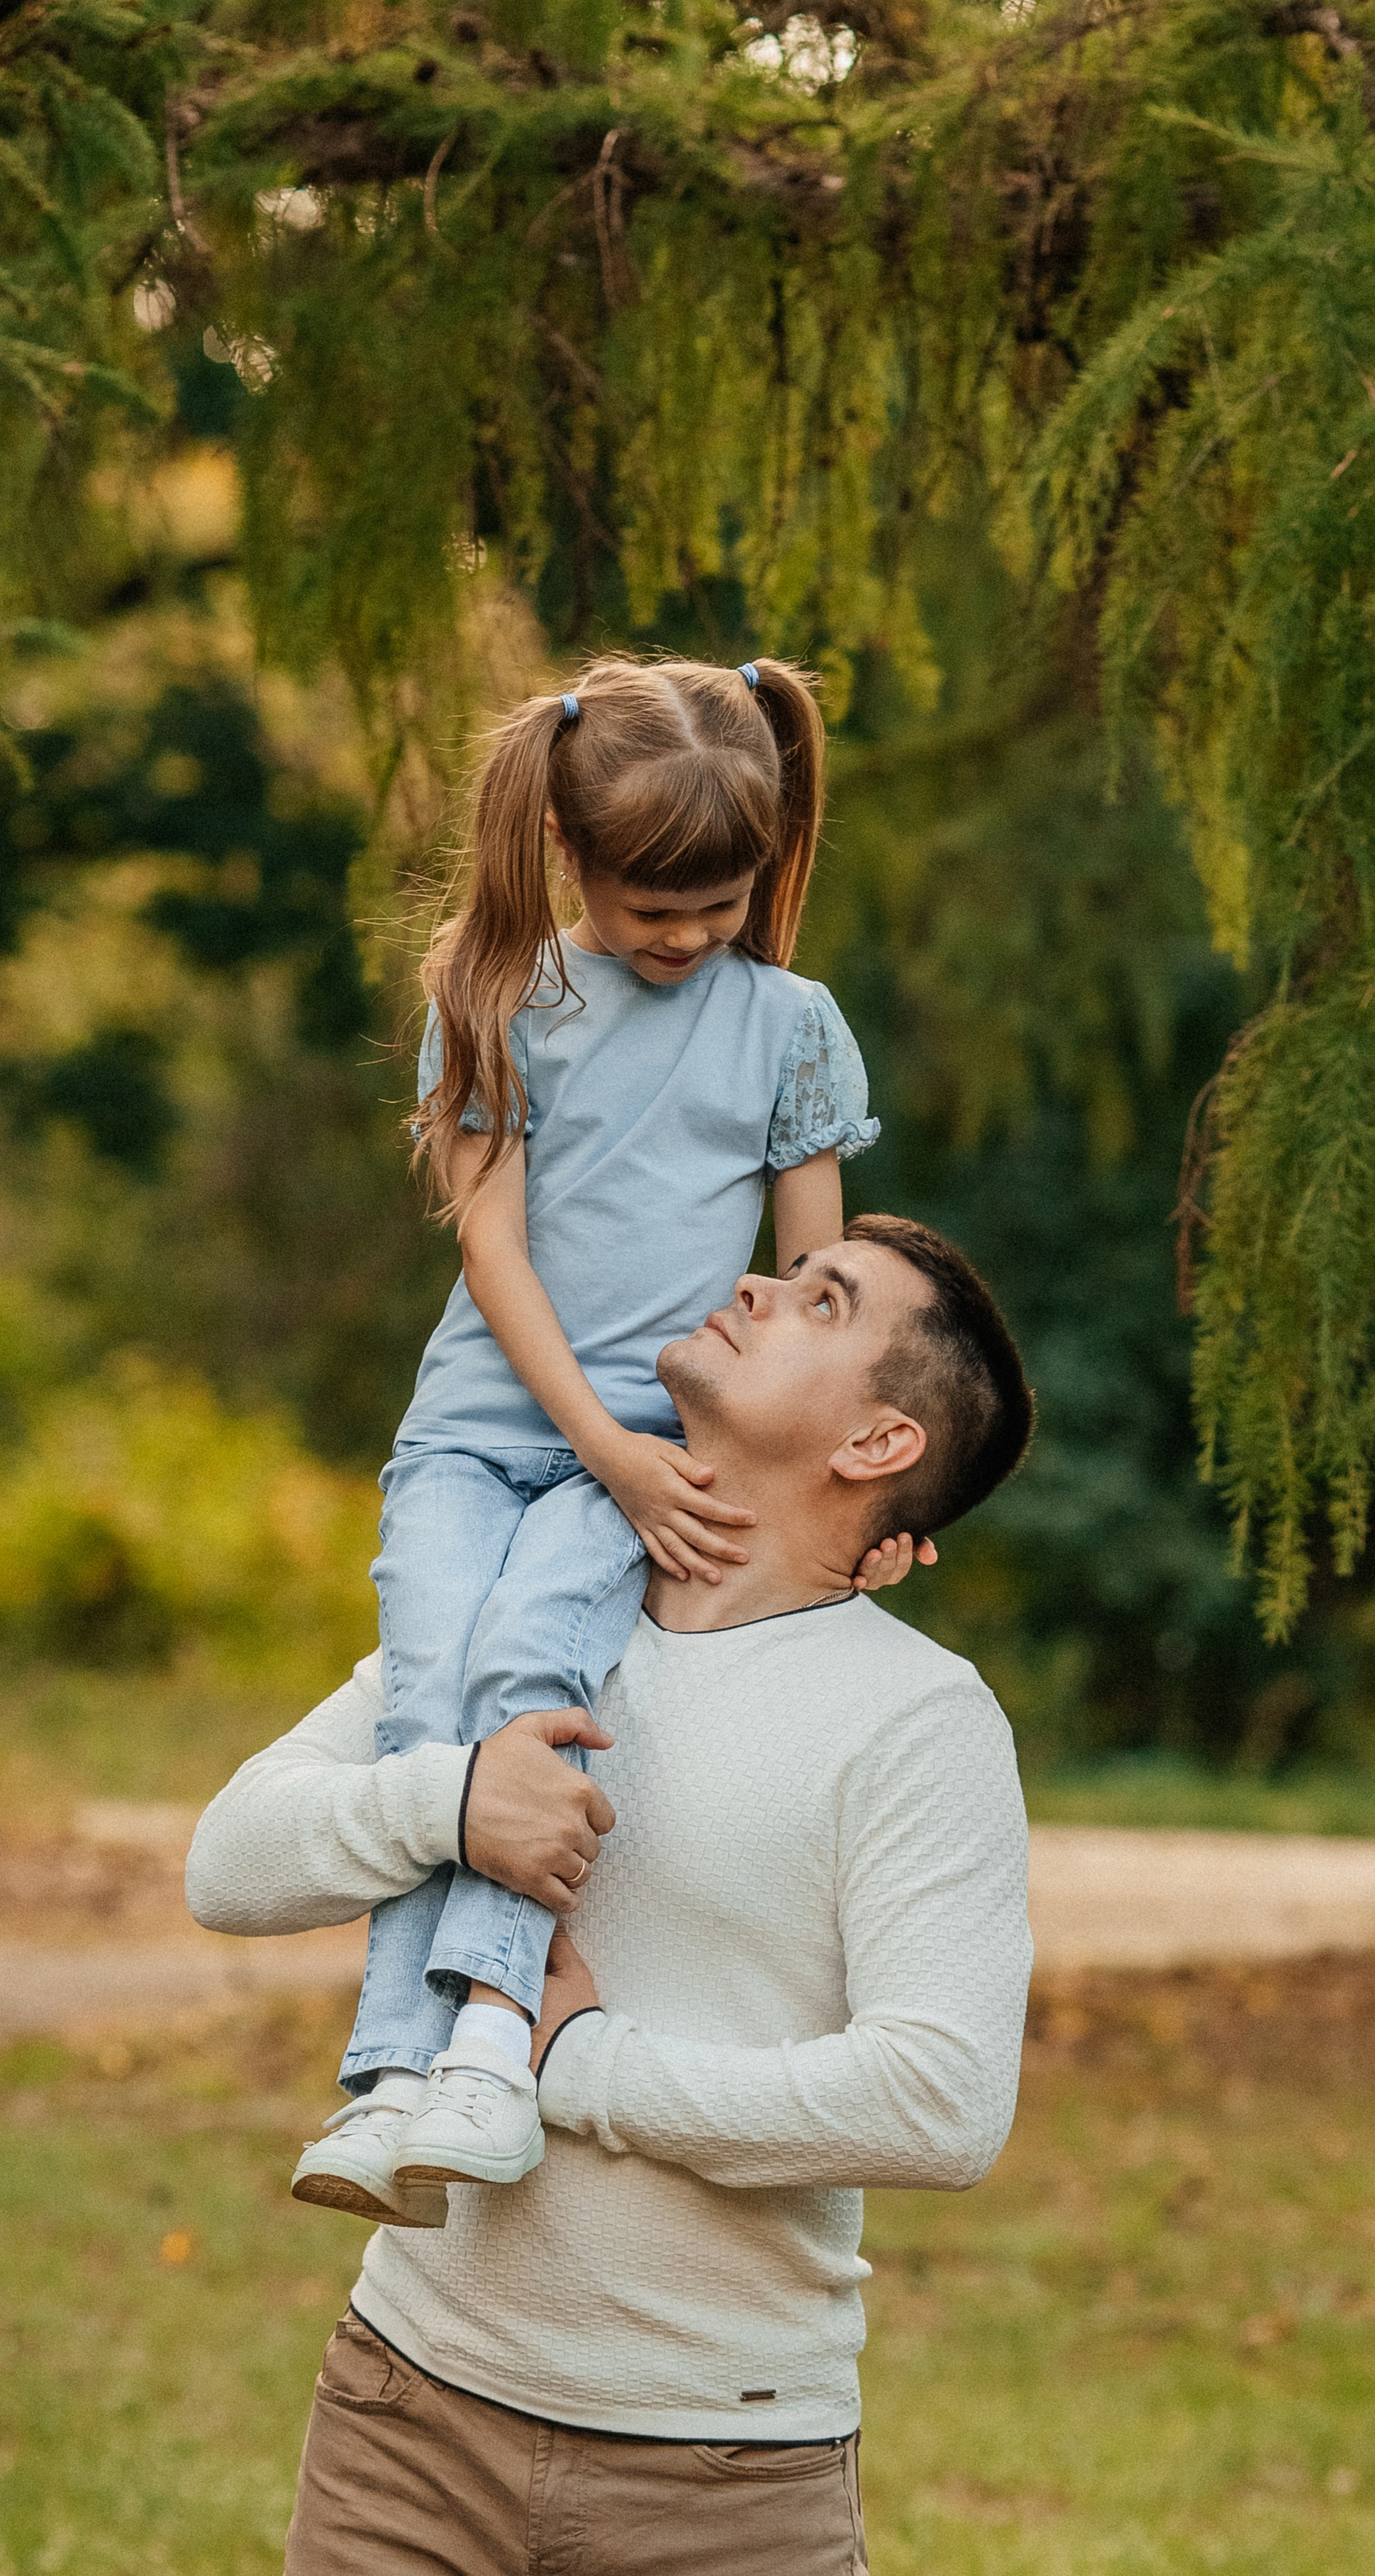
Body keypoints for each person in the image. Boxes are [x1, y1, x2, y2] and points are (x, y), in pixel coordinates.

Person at [186, 1214, 1036, 2576]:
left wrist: (580, 2063)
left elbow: (943, 2100)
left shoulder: (920, 1720)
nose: (755, 1282)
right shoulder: (510, 1615)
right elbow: (226, 1864)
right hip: (407, 2416)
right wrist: (450, 1799)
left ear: (879, 1446)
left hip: (726, 2471)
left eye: (822, 1302)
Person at [292, 653, 920, 2228]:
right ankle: (390, 2071)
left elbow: (812, 1294)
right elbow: (491, 1255)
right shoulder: (497, 1003)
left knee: (529, 1690)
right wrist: (598, 1440)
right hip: (484, 1434)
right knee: (429, 1706)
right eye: (658, 904)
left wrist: (813, 1494)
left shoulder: (787, 1027)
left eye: (720, 901)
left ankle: (487, 2045)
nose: (689, 934)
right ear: (570, 851)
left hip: (643, 1454)